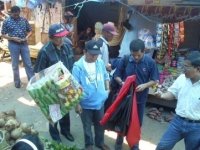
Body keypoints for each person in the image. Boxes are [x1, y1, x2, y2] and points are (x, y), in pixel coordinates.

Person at [114, 39, 159, 150]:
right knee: (122, 120)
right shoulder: (125, 59)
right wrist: (122, 83)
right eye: (133, 55)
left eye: (138, 55)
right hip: (125, 97)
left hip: (140, 99)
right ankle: (118, 143)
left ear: (144, 51)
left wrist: (144, 85)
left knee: (137, 123)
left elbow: (155, 80)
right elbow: (116, 75)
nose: (136, 58)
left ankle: (134, 144)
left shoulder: (150, 62)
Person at [34, 23, 74, 143]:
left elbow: (71, 64)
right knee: (54, 113)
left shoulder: (66, 47)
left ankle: (65, 130)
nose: (61, 39)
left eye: (63, 36)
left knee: (65, 110)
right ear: (51, 38)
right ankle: (55, 135)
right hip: (52, 89)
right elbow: (38, 73)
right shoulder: (45, 52)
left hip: (66, 86)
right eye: (58, 37)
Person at [156, 51, 200, 150]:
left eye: (187, 67)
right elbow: (172, 94)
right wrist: (162, 96)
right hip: (177, 122)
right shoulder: (181, 79)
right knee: (162, 146)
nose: (183, 70)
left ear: (198, 69)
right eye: (183, 66)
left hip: (197, 127)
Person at [72, 40, 110, 150]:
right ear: (85, 51)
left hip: (100, 101)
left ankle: (100, 142)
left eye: (96, 54)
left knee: (100, 124)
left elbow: (105, 75)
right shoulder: (78, 66)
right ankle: (89, 145)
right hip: (86, 103)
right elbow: (74, 86)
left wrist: (107, 88)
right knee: (87, 126)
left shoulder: (100, 62)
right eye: (92, 54)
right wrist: (77, 103)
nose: (94, 57)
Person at [1, 6, 34, 88]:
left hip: (24, 44)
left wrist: (27, 37)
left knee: (28, 64)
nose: (16, 16)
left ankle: (32, 82)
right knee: (15, 65)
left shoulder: (23, 20)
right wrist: (12, 38)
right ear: (11, 13)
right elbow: (3, 34)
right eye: (14, 14)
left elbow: (30, 30)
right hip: (13, 45)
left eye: (18, 14)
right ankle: (17, 83)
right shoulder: (6, 21)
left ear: (19, 12)